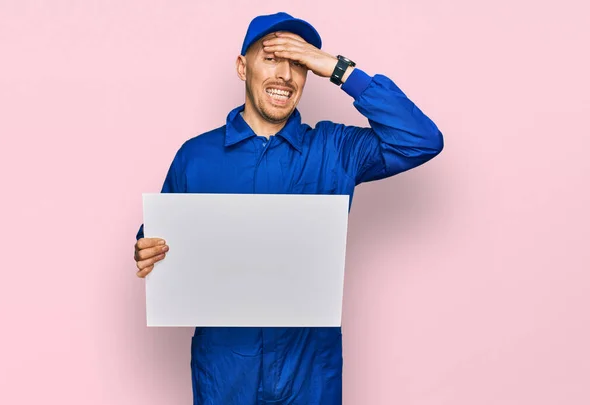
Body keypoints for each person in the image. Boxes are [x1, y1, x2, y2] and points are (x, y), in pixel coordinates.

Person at [133, 11, 443, 405]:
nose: (285, 74)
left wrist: (336, 67)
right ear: (242, 68)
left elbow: (421, 140)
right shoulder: (196, 157)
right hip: (226, 371)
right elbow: (159, 240)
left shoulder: (335, 150)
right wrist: (145, 250)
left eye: (298, 62)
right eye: (271, 57)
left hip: (309, 372)